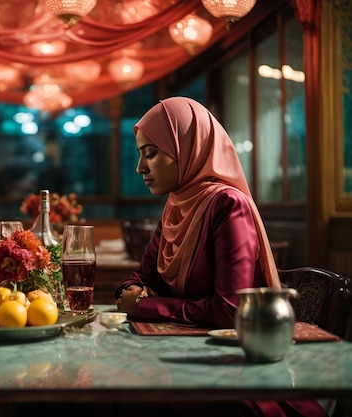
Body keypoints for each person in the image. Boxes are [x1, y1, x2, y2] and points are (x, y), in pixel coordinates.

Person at [114, 97, 326, 417]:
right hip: (183, 358)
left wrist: (145, 305)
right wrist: (132, 292)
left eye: (151, 154)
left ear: (188, 148)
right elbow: (142, 276)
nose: (140, 167)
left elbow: (231, 310)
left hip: (232, 376)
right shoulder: (176, 206)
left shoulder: (227, 205)